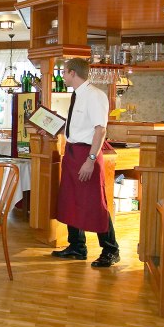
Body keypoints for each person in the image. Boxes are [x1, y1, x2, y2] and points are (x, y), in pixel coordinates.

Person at [50, 58, 120, 268]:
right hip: (72, 153)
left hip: (86, 155)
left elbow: (100, 130)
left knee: (95, 203)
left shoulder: (95, 95)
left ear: (72, 73)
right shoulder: (77, 95)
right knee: (71, 200)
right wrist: (52, 127)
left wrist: (90, 160)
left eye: (64, 72)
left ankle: (111, 249)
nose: (62, 76)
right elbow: (77, 128)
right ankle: (77, 246)